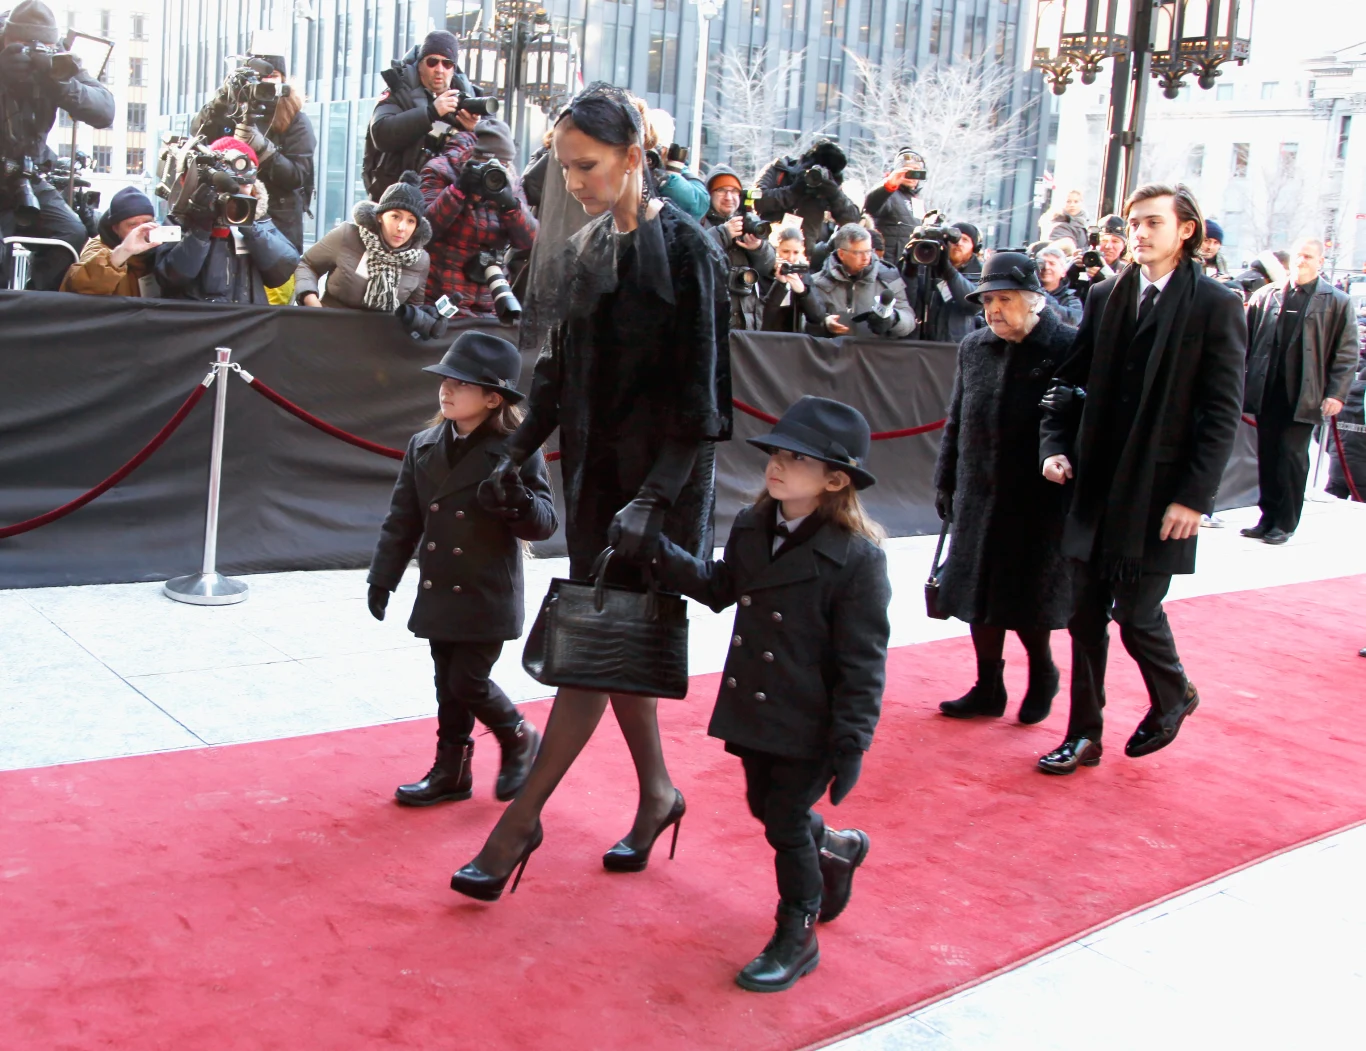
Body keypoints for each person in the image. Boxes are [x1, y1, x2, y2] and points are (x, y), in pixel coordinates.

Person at [447, 83, 730, 901]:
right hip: (597, 474)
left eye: (588, 166)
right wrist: (523, 449)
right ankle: (658, 794)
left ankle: (519, 822)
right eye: (565, 168)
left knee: (589, 653)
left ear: (635, 156)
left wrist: (656, 498)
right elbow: (558, 370)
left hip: (665, 483)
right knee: (617, 632)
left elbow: (703, 399)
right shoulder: (587, 249)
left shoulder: (692, 251)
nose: (573, 182)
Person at [647, 395, 891, 992]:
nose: (776, 466)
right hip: (757, 704)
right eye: (776, 453)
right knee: (767, 808)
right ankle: (835, 847)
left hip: (811, 719)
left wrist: (852, 742)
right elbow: (721, 585)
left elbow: (863, 662)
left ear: (835, 480)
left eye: (796, 459)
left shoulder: (858, 560)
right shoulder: (754, 523)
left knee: (782, 819)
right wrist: (653, 548)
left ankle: (797, 929)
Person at [1037, 183, 1246, 774]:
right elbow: (1068, 383)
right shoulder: (1106, 296)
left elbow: (1221, 411)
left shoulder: (1215, 304)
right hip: (1095, 484)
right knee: (1082, 615)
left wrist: (1194, 498)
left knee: (1136, 612)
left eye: (1153, 221)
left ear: (1186, 231)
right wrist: (1054, 445)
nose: (1140, 232)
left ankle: (1172, 692)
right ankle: (1084, 734)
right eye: (1133, 222)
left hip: (1159, 494)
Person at [367, 332, 557, 808]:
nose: (446, 391)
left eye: (461, 384)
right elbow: (403, 519)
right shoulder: (424, 444)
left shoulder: (516, 448)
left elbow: (545, 525)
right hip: (439, 591)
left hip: (485, 590)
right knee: (446, 686)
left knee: (466, 681)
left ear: (493, 398)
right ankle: (452, 771)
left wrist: (516, 501)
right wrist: (382, 577)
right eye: (445, 381)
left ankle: (518, 735)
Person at [934, 252, 1077, 724]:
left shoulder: (1067, 346)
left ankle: (1042, 673)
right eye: (988, 300)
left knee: (1029, 596)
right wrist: (946, 480)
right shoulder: (975, 347)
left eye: (1004, 299)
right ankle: (988, 687)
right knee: (978, 592)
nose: (993, 309)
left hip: (1038, 497)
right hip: (979, 490)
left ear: (1035, 300)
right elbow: (956, 419)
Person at [1241, 237, 1358, 544]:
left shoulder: (1336, 301)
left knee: (1292, 458)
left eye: (1308, 256)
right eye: (1297, 255)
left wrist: (1336, 394)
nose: (1301, 261)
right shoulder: (1266, 296)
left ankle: (1285, 522)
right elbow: (1245, 341)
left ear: (1320, 262)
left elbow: (1346, 353)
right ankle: (1267, 518)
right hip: (1267, 389)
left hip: (1305, 394)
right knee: (1266, 455)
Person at [0, 1, 114, 290]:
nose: (33, 52)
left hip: (25, 173)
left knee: (70, 235)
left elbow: (104, 110)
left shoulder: (58, 59)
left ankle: (35, 311)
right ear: (8, 38)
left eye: (43, 46)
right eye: (24, 45)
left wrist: (59, 82)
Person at [193, 53, 315, 256]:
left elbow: (297, 176)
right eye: (258, 76)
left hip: (277, 223)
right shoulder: (231, 110)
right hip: (227, 214)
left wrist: (263, 149)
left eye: (273, 74)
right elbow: (199, 134)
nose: (265, 81)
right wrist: (223, 97)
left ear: (282, 79)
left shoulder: (296, 119)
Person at [153, 137, 299, 305]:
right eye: (230, 184)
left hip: (248, 323)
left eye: (245, 184)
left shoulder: (259, 219)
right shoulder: (183, 216)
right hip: (199, 323)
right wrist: (200, 230)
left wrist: (248, 224)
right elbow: (170, 277)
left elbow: (283, 268)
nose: (235, 191)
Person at [419, 116, 536, 315]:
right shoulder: (441, 170)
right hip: (441, 293)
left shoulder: (509, 181)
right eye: (489, 162)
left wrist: (510, 205)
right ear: (475, 156)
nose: (496, 168)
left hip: (489, 297)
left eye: (504, 163)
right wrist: (458, 190)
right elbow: (424, 230)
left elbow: (528, 241)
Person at [294, 170, 432, 316]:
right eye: (395, 216)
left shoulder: (420, 260)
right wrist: (312, 302)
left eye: (411, 221)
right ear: (380, 216)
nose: (401, 228)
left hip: (380, 335)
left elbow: (414, 305)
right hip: (333, 326)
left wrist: (420, 319)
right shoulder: (348, 235)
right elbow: (307, 264)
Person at [364, 31, 481, 202]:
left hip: (447, 202)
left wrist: (473, 131)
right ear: (420, 65)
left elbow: (496, 152)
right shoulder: (399, 90)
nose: (439, 70)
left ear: (453, 69)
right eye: (432, 62)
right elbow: (381, 133)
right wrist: (431, 113)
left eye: (447, 64)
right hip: (397, 199)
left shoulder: (468, 99)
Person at [701, 165, 775, 332]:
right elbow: (694, 256)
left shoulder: (749, 223)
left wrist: (758, 247)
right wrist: (722, 234)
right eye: (721, 190)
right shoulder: (699, 222)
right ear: (709, 194)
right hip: (712, 319)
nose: (729, 197)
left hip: (746, 320)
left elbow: (768, 267)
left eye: (734, 191)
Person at [808, 224, 914, 339]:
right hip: (834, 353)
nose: (866, 258)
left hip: (875, 353)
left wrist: (893, 319)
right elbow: (804, 324)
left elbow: (909, 319)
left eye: (869, 251)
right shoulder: (818, 282)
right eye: (858, 253)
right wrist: (824, 324)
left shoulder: (888, 277)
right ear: (841, 254)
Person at [753, 139, 861, 253]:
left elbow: (852, 222)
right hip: (767, 249)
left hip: (804, 254)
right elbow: (756, 200)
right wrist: (794, 190)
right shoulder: (779, 169)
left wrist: (834, 195)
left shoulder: (829, 187)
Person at [58, 186, 158, 297]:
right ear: (115, 229)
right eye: (132, 225)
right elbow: (81, 285)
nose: (142, 230)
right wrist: (122, 253)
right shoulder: (98, 248)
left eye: (147, 222)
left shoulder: (158, 245)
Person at [904, 220, 984, 343]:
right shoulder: (925, 263)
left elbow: (973, 304)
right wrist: (910, 271)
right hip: (919, 344)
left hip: (954, 346)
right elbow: (908, 301)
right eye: (954, 239)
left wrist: (948, 272)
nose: (958, 243)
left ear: (975, 247)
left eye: (965, 240)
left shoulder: (980, 272)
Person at [863, 147, 928, 261]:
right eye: (909, 171)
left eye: (918, 172)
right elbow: (870, 207)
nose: (913, 176)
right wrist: (888, 186)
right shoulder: (888, 193)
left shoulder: (917, 200)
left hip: (909, 264)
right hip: (888, 264)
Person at [761, 227, 827, 333]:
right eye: (785, 251)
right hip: (767, 337)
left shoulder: (803, 273)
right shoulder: (765, 270)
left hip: (794, 338)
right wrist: (780, 284)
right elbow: (765, 314)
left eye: (796, 252)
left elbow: (817, 315)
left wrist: (803, 292)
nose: (790, 258)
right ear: (776, 249)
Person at [1036, 244, 1084, 324]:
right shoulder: (1026, 290)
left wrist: (1041, 294)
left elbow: (1072, 319)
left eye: (1052, 264)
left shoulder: (1071, 300)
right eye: (1042, 263)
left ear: (1063, 272)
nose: (1046, 267)